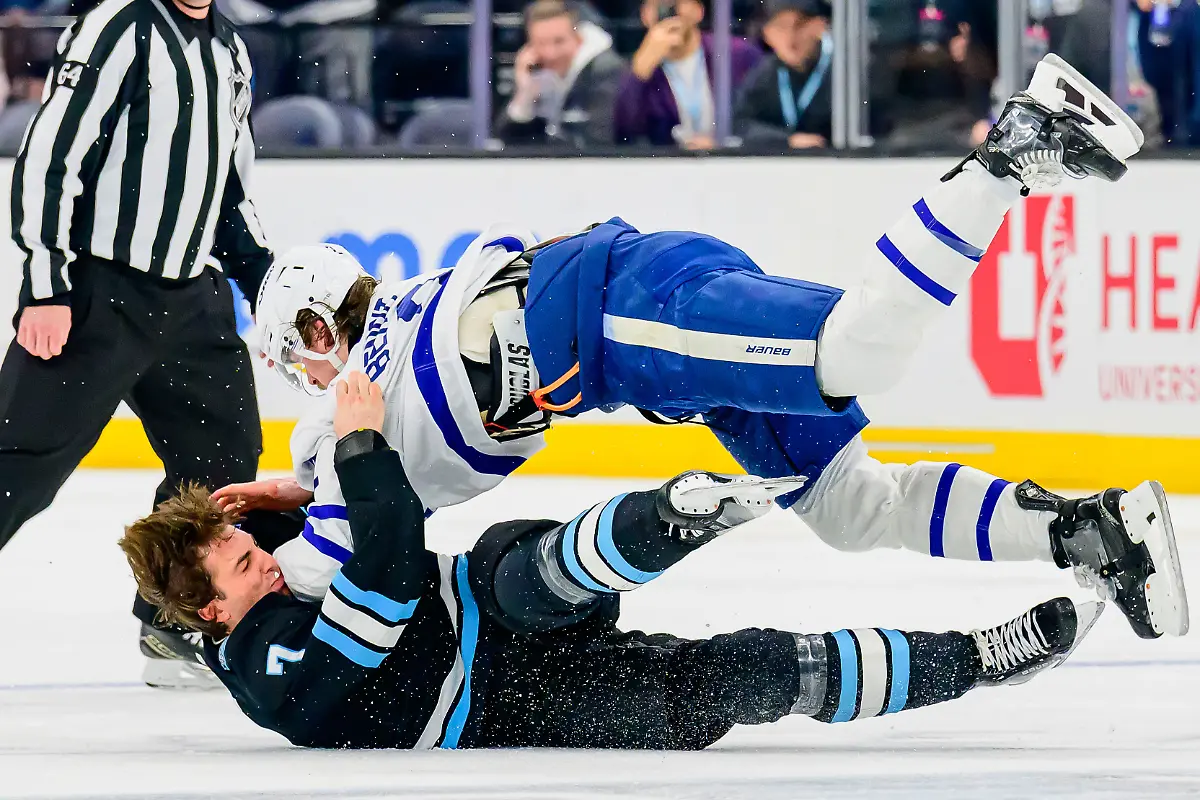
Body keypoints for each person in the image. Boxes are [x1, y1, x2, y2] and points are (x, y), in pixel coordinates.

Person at [237, 53, 1188, 641]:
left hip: (624, 318)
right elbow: (383, 477)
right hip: (632, 321)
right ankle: (1092, 530)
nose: (306, 383)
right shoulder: (413, 302)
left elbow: (319, 566)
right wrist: (310, 486)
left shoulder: (342, 415)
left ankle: (1010, 154)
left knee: (853, 354)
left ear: (316, 331)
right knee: (850, 509)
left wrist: (223, 609)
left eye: (297, 360)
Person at [120, 371, 1104, 750]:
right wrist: (360, 448)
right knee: (744, 674)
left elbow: (344, 552)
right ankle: (977, 658)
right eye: (241, 565)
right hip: (505, 704)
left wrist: (291, 499)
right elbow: (380, 579)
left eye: (245, 544)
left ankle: (668, 519)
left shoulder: (251, 587)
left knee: (530, 575)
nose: (261, 560)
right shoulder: (266, 672)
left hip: (480, 600)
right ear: (210, 613)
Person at [1, 0, 274, 688]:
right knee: (19, 466)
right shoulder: (119, 26)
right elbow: (51, 158)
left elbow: (230, 186)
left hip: (193, 299)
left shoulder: (229, 49)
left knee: (222, 466)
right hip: (97, 293)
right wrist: (46, 285)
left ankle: (172, 625)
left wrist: (266, 287)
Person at [614, 0, 761, 148]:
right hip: (670, 159)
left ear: (698, 11)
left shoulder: (737, 54)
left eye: (675, 3)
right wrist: (639, 73)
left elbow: (761, 119)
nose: (669, 14)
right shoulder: (637, 70)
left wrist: (722, 143)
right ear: (644, 16)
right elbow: (623, 132)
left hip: (731, 157)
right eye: (659, 5)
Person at [495, 0, 626, 150]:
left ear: (578, 37)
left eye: (559, 41)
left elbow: (597, 140)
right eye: (541, 43)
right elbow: (506, 140)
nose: (551, 53)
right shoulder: (535, 71)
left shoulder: (606, 71)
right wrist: (525, 94)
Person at [733, 0, 832, 150]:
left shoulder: (842, 70)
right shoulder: (764, 73)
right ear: (767, 34)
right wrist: (787, 140)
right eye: (780, 27)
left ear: (819, 25)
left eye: (799, 25)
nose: (790, 38)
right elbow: (739, 123)